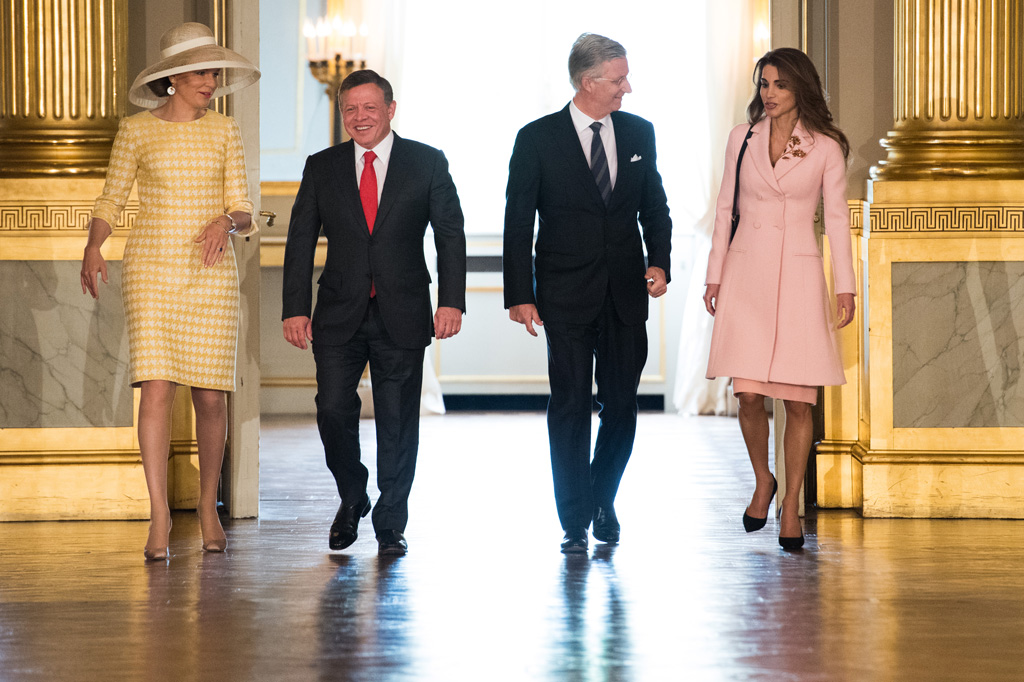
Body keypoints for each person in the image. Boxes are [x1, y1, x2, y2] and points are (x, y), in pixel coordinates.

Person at [80, 23, 260, 561]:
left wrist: (224, 222)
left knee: (209, 394)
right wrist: (94, 246)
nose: (212, 81)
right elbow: (111, 198)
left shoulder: (224, 130)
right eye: (204, 72)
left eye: (215, 72)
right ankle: (159, 513)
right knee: (156, 390)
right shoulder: (136, 131)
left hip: (210, 271)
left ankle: (207, 506)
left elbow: (244, 206)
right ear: (175, 76)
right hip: (152, 270)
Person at [282, 70, 466, 557]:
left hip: (403, 310)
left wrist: (451, 300)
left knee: (398, 420)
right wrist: (294, 309)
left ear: (390, 109)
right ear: (342, 115)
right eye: (350, 110)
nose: (359, 118)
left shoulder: (426, 162)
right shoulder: (322, 166)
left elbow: (450, 234)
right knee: (333, 408)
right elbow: (301, 240)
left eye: (369, 108)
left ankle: (390, 521)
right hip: (338, 312)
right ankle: (353, 493)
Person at [503, 33, 672, 554]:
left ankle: (603, 495)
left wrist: (659, 261)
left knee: (621, 406)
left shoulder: (640, 132)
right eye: (619, 79)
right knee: (571, 405)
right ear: (588, 82)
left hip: (625, 294)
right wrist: (519, 294)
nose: (628, 87)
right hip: (564, 295)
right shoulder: (536, 139)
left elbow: (655, 207)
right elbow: (517, 221)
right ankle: (575, 518)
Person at [702, 47, 856, 550]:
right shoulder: (740, 139)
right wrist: (715, 276)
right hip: (745, 274)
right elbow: (725, 208)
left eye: (779, 85)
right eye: (763, 83)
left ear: (801, 89)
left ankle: (791, 503)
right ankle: (762, 478)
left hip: (798, 279)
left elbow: (835, 219)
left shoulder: (826, 147)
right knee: (747, 393)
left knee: (796, 400)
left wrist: (845, 286)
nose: (768, 93)